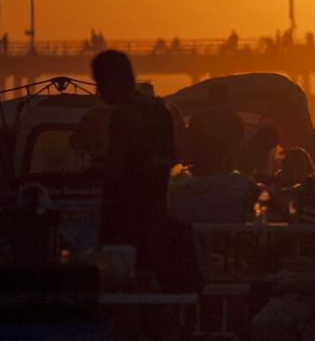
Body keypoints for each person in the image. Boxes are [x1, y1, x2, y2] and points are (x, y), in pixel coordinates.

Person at [92, 50, 179, 282]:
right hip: (157, 215)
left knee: (120, 286)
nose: (98, 91)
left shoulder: (124, 114)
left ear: (112, 79)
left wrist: (94, 170)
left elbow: (114, 169)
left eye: (99, 82)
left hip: (126, 221)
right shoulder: (160, 110)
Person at [183, 81, 245, 175]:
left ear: (210, 97)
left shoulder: (198, 117)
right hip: (225, 170)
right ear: (226, 97)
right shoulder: (233, 117)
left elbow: (189, 143)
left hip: (201, 169)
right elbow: (238, 143)